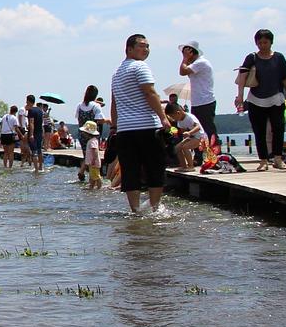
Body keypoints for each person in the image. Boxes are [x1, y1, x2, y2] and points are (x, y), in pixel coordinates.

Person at [110, 33, 169, 213]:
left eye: (147, 46)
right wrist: (163, 118)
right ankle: (155, 208)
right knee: (155, 168)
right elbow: (150, 93)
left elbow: (114, 103)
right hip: (147, 126)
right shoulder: (140, 67)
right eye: (141, 46)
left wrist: (114, 126)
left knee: (130, 171)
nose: (146, 49)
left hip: (125, 130)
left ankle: (135, 210)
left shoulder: (117, 73)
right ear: (129, 49)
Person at [236, 28, 286, 172]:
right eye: (259, 42)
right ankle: (263, 160)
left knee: (278, 129)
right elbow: (242, 77)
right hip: (255, 100)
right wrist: (240, 96)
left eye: (265, 42)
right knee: (259, 131)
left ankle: (278, 158)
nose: (262, 45)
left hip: (276, 98)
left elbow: (285, 77)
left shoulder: (279, 57)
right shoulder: (251, 57)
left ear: (271, 42)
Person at [178, 40, 217, 148]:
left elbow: (182, 71)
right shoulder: (195, 64)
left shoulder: (201, 62)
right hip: (197, 102)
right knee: (197, 131)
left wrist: (185, 59)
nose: (184, 55)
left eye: (186, 52)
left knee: (208, 130)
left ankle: (215, 155)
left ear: (191, 52)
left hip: (205, 101)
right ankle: (200, 157)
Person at [75, 85, 105, 183]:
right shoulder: (96, 106)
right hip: (92, 134)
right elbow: (100, 120)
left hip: (82, 133)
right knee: (93, 156)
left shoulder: (79, 105)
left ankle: (83, 172)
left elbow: (77, 118)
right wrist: (108, 121)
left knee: (86, 155)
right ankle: (93, 178)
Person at [165, 102, 205, 173]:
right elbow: (183, 132)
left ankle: (191, 166)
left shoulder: (189, 117)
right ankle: (183, 166)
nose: (173, 119)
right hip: (191, 138)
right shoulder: (179, 122)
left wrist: (189, 133)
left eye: (173, 117)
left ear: (178, 113)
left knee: (185, 147)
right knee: (178, 148)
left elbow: (198, 127)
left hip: (200, 137)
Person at [25, 94, 45, 173]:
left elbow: (32, 123)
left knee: (34, 152)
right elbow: (41, 123)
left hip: (34, 133)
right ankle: (40, 167)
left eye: (26, 101)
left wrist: (31, 134)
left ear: (28, 101)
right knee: (39, 150)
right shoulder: (40, 110)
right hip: (40, 132)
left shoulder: (31, 111)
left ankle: (36, 170)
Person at [80, 120, 102, 188]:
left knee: (96, 176)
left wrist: (93, 160)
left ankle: (99, 187)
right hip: (92, 162)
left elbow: (95, 151)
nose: (83, 134)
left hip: (94, 162)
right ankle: (91, 186)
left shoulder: (92, 141)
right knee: (92, 176)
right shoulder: (92, 140)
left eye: (84, 133)